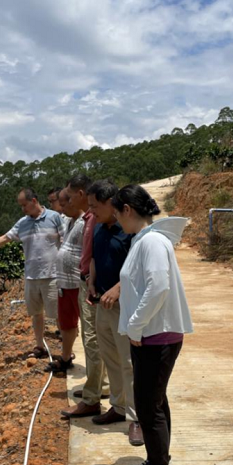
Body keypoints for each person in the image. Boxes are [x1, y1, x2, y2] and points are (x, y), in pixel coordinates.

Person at [112, 184, 193, 465]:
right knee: (154, 401)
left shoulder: (153, 242)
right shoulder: (145, 241)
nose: (117, 221)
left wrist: (134, 323)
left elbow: (158, 286)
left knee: (148, 406)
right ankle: (160, 462)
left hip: (155, 336)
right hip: (150, 335)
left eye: (117, 214)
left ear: (128, 210)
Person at [80, 180, 144, 447]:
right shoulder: (98, 228)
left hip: (124, 305)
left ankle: (137, 419)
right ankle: (118, 407)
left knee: (129, 363)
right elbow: (95, 258)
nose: (91, 211)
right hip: (102, 303)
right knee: (111, 358)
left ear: (111, 203)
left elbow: (136, 268)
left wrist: (118, 289)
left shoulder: (129, 230)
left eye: (95, 205)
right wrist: (93, 282)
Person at [0, 187, 64, 358]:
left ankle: (66, 351)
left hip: (52, 275)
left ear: (34, 201)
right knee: (36, 314)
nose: (23, 209)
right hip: (31, 276)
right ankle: (39, 346)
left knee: (58, 314)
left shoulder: (54, 217)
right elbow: (5, 238)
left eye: (24, 205)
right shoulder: (23, 223)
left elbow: (65, 241)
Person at [61, 175, 110, 418]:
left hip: (91, 286)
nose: (66, 202)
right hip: (89, 283)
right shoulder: (89, 218)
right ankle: (99, 386)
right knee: (96, 339)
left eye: (69, 196)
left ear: (81, 194)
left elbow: (96, 253)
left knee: (91, 340)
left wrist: (91, 281)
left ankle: (92, 399)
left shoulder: (93, 219)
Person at [46, 188, 84, 373]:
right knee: (66, 323)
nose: (60, 208)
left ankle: (99, 374)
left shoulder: (87, 222)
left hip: (79, 283)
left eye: (63, 204)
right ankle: (66, 357)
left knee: (89, 329)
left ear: (74, 201)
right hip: (64, 283)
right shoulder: (68, 221)